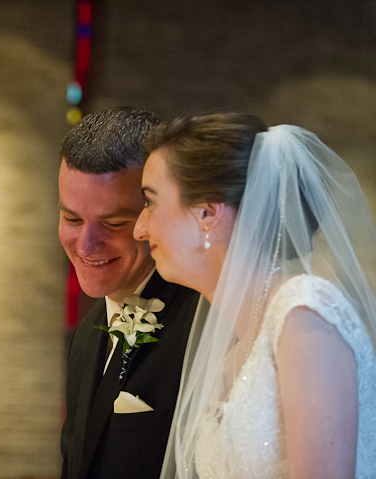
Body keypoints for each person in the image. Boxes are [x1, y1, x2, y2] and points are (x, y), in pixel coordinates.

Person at [133, 113, 376, 479]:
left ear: (207, 213)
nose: (139, 228)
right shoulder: (235, 351)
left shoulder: (304, 316)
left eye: (150, 202)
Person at [58, 107, 202, 479]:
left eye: (114, 223)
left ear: (154, 212)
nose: (87, 245)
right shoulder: (86, 335)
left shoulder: (203, 321)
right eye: (72, 219)